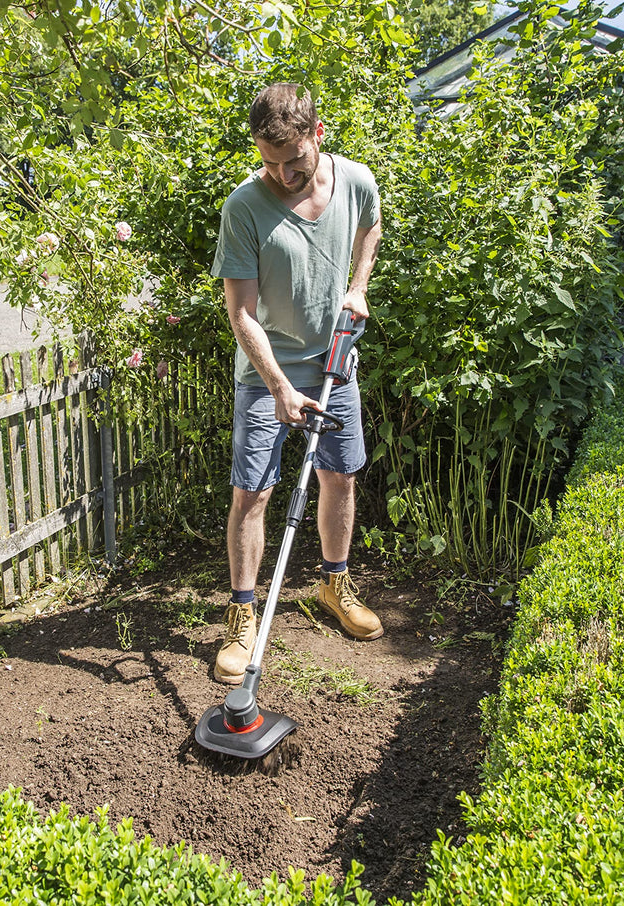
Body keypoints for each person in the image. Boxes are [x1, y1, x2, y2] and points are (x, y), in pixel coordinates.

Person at [209, 82, 384, 685]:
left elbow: (371, 227)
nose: (282, 173)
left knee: (341, 477)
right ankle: (242, 616)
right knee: (252, 493)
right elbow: (241, 316)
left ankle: (334, 585)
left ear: (318, 136)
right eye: (269, 161)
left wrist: (357, 287)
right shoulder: (244, 209)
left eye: (295, 160)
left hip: (337, 360)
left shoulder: (357, 181)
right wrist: (280, 387)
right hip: (268, 375)